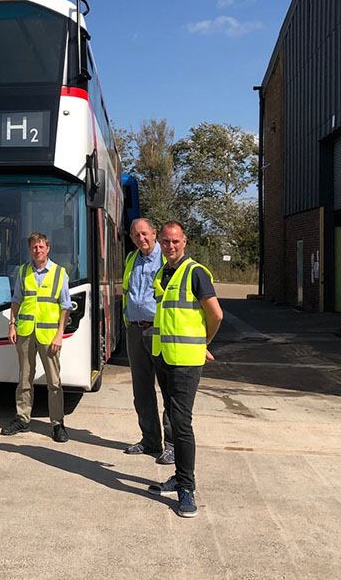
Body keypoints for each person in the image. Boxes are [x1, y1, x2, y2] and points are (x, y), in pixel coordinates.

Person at [147, 221, 222, 518]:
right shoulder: (162, 273)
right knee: (172, 415)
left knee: (181, 423)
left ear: (184, 242)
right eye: (166, 241)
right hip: (164, 356)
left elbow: (216, 315)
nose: (170, 246)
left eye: (175, 241)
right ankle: (179, 477)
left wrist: (204, 343)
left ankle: (187, 488)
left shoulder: (196, 273)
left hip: (186, 360)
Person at [0, 231, 73, 443]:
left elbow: (65, 306)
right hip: (25, 332)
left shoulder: (59, 273)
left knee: (54, 382)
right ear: (30, 249)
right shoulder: (23, 271)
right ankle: (22, 418)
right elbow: (16, 299)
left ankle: (57, 424)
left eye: (41, 246)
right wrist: (12, 325)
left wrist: (60, 334)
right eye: (34, 247)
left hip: (49, 335)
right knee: (24, 378)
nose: (37, 250)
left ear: (47, 249)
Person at [122, 218, 175, 465]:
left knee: (168, 389)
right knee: (141, 390)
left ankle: (172, 445)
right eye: (136, 235)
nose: (141, 238)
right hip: (135, 330)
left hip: (159, 330)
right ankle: (150, 440)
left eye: (144, 234)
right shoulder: (131, 259)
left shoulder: (167, 259)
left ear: (154, 234)